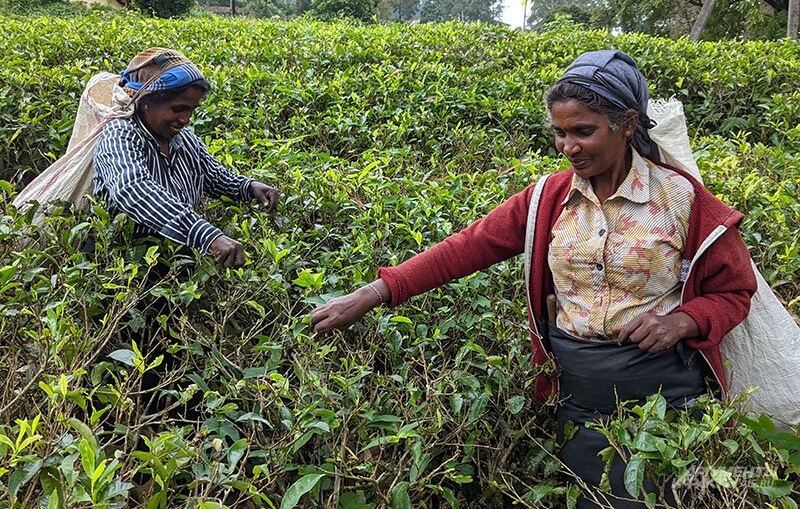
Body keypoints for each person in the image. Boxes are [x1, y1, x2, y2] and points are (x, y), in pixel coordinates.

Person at [310, 50, 757, 507]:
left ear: (626, 124)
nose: (569, 147)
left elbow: (735, 290)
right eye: (560, 133)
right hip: (576, 390)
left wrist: (682, 322)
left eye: (584, 131)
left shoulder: (682, 199)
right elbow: (466, 248)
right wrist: (373, 292)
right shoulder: (548, 198)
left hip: (664, 391)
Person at [93, 47, 279, 267]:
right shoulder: (119, 135)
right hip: (126, 264)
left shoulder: (184, 139)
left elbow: (215, 177)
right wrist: (206, 236)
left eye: (191, 110)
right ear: (146, 103)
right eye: (178, 109)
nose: (185, 119)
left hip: (175, 255)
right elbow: (135, 191)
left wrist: (249, 187)